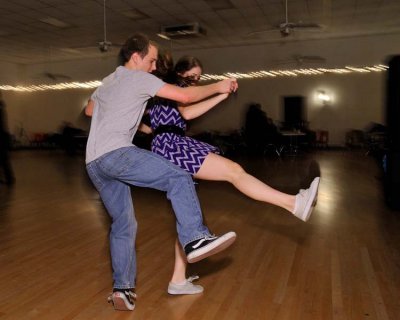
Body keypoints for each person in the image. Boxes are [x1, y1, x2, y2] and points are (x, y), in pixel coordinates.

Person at [84, 33, 239, 312]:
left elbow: (90, 110)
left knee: (124, 224)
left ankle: (123, 290)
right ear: (136, 57)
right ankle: (195, 237)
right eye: (151, 61)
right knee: (179, 176)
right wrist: (220, 86)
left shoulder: (108, 81)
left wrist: (140, 126)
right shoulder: (139, 78)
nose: (154, 67)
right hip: (117, 154)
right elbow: (184, 96)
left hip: (94, 163)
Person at [146, 54, 320, 295]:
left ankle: (177, 280)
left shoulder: (168, 94)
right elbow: (186, 111)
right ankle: (293, 204)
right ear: (179, 73)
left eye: (199, 77)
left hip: (170, 143)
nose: (195, 81)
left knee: (187, 219)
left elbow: (186, 113)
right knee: (234, 171)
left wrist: (221, 95)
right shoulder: (173, 89)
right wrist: (218, 89)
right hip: (171, 145)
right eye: (192, 76)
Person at [0, 91, 15, 186]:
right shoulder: (1, 107)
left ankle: (10, 179)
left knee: (4, 160)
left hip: (1, 138)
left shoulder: (0, 108)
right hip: (2, 137)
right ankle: (9, 179)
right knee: (4, 160)